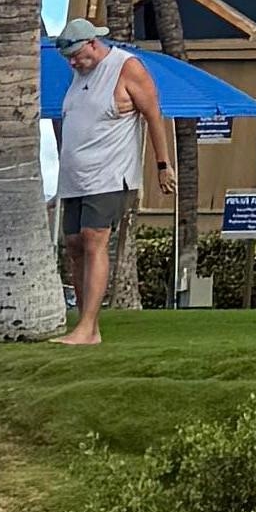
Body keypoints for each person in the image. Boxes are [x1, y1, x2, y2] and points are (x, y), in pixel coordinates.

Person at [51, 21, 167, 349]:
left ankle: (88, 327)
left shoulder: (125, 67)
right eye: (69, 59)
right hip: (75, 178)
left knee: (93, 239)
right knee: (74, 245)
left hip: (109, 174)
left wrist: (163, 165)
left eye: (77, 55)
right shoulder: (78, 76)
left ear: (93, 43)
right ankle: (85, 325)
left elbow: (153, 114)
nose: (74, 63)